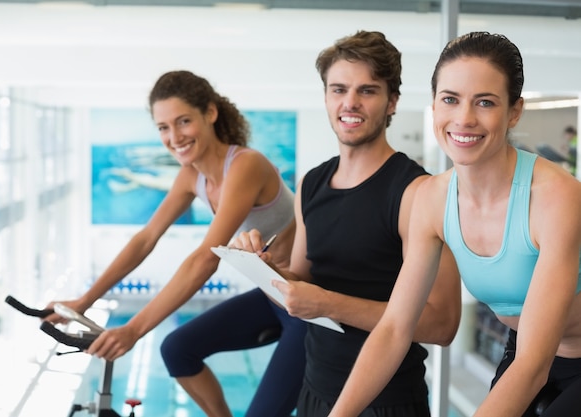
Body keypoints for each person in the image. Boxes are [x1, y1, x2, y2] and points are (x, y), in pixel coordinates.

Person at [328, 32, 581, 417]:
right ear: (434, 106)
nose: (464, 118)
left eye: (485, 102)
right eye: (450, 99)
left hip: (540, 358)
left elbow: (532, 367)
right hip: (529, 349)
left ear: (514, 111)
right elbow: (395, 329)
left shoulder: (554, 197)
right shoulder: (431, 198)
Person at [45, 70, 307, 417]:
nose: (174, 136)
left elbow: (205, 259)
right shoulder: (191, 176)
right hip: (272, 297)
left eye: (183, 121)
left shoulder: (246, 165)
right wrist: (83, 301)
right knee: (177, 349)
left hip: (307, 308)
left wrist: (134, 329)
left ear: (210, 113)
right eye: (163, 127)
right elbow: (145, 239)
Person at [232, 30, 461, 417]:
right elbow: (299, 289)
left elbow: (442, 323)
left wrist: (331, 304)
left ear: (393, 102)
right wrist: (263, 268)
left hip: (387, 402)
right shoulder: (311, 183)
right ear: (325, 97)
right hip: (315, 391)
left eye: (367, 91)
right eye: (338, 89)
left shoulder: (416, 192)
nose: (349, 102)